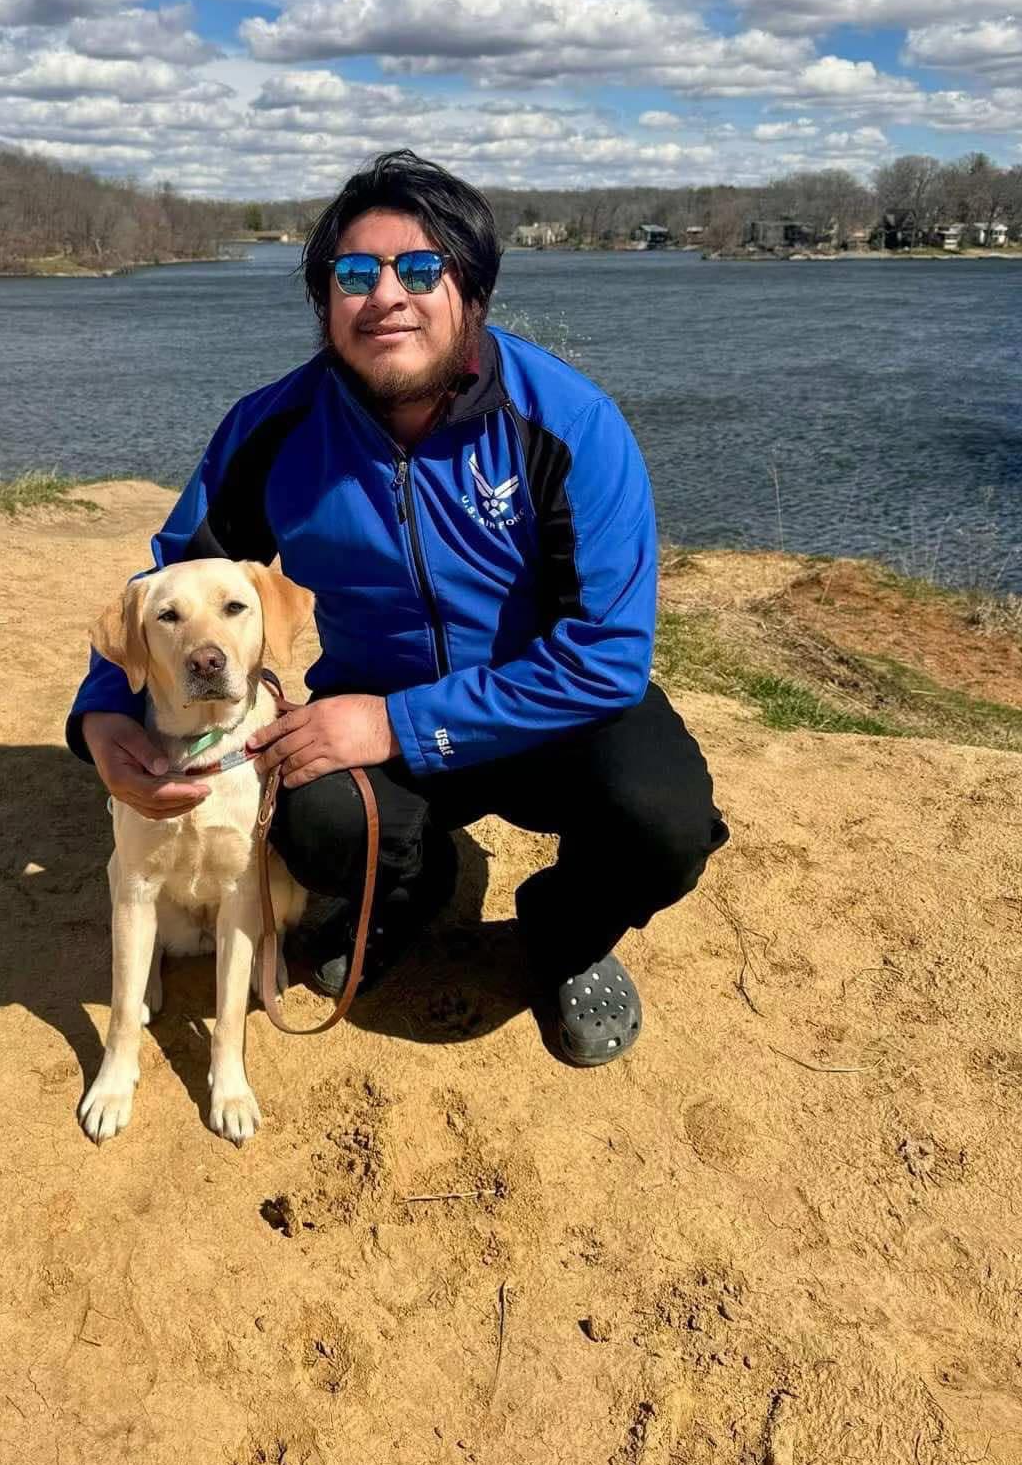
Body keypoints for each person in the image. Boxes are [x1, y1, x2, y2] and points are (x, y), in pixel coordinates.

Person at [68, 149, 728, 1066]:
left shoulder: (569, 426)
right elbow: (171, 582)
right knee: (313, 818)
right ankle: (408, 889)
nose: (386, 296)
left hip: (550, 711)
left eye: (420, 269)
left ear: (472, 290)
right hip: (371, 700)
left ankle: (566, 935)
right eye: (353, 273)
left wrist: (400, 723)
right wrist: (99, 711)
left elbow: (606, 658)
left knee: (662, 822)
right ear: (325, 300)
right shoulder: (273, 430)